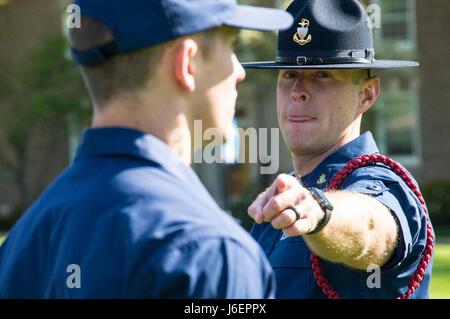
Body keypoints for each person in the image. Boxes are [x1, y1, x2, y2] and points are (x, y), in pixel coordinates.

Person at [0, 0, 293, 298]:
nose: (238, 70)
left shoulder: (24, 240)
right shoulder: (209, 252)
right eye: (229, 46)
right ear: (187, 63)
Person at [244, 0, 434, 299]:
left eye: (322, 75)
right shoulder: (281, 202)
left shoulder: (379, 183)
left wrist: (321, 212)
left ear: (366, 94)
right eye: (288, 75)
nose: (297, 92)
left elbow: (371, 227)